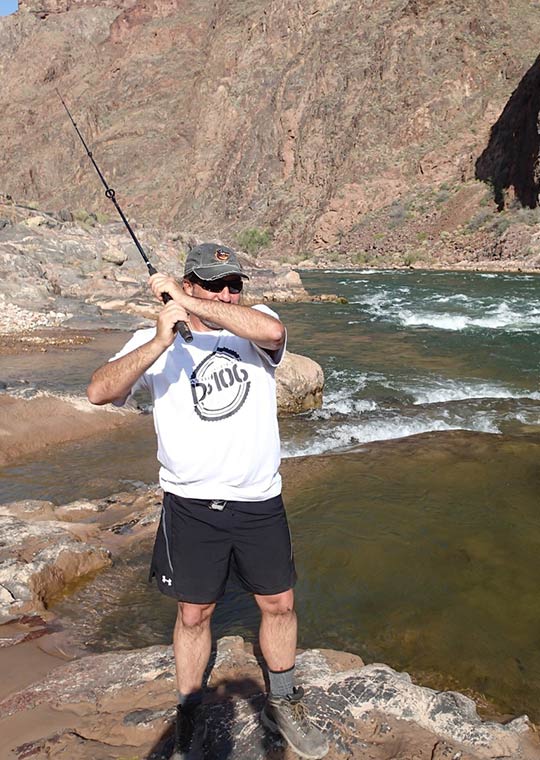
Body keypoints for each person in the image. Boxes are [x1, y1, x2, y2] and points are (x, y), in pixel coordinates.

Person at [87, 243, 329, 760]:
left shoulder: (253, 323)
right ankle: (190, 708)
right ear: (190, 283)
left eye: (233, 284)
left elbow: (273, 334)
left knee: (278, 604)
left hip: (259, 498)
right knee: (195, 615)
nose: (226, 292)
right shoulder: (154, 342)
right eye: (213, 283)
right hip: (190, 505)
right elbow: (98, 392)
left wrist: (191, 303)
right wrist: (158, 339)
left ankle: (282, 701)